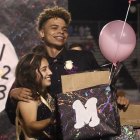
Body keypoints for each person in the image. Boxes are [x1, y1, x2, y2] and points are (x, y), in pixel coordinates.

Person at [5, 6, 129, 139]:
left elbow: (105, 90)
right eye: (54, 28)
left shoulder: (84, 58)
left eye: (64, 29)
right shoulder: (33, 64)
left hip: (86, 133)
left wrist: (119, 96)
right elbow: (13, 113)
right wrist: (13, 94)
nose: (61, 32)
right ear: (42, 32)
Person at [15, 52, 56, 140]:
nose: (50, 72)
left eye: (49, 68)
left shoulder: (45, 93)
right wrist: (52, 120)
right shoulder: (27, 96)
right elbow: (30, 127)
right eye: (44, 69)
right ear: (30, 73)